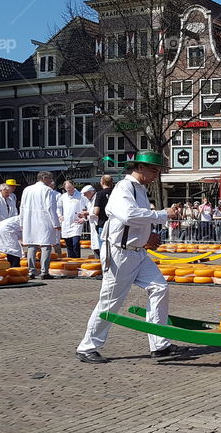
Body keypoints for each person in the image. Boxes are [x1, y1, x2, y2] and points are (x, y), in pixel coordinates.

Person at [76, 151, 186, 364]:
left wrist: (146, 235)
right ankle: (87, 346)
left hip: (137, 252)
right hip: (120, 253)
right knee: (111, 300)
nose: (156, 174)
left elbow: (133, 221)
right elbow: (128, 215)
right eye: (154, 170)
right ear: (139, 167)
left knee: (160, 288)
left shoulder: (140, 189)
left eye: (158, 170)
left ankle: (159, 344)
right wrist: (163, 215)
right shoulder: (123, 188)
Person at [20, 172, 61, 280]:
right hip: (44, 220)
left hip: (30, 220)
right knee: (45, 246)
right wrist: (56, 223)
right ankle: (44, 271)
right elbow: (51, 208)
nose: (51, 181)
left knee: (31, 245)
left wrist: (22, 221)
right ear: (44, 178)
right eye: (50, 179)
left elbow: (22, 207)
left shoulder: (27, 189)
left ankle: (31, 271)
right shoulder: (48, 190)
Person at [57, 181, 86, 259]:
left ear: (74, 186)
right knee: (69, 245)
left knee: (75, 243)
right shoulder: (63, 197)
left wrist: (84, 218)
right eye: (67, 189)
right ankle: (70, 261)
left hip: (76, 223)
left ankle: (77, 260)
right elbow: (58, 207)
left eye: (70, 188)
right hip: (66, 223)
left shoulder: (81, 196)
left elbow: (87, 207)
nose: (69, 191)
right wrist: (60, 216)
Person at [92, 175, 115, 257]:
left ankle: (105, 268)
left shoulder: (100, 194)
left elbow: (96, 211)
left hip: (103, 223)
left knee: (104, 249)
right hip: (116, 223)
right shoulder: (116, 193)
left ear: (102, 182)